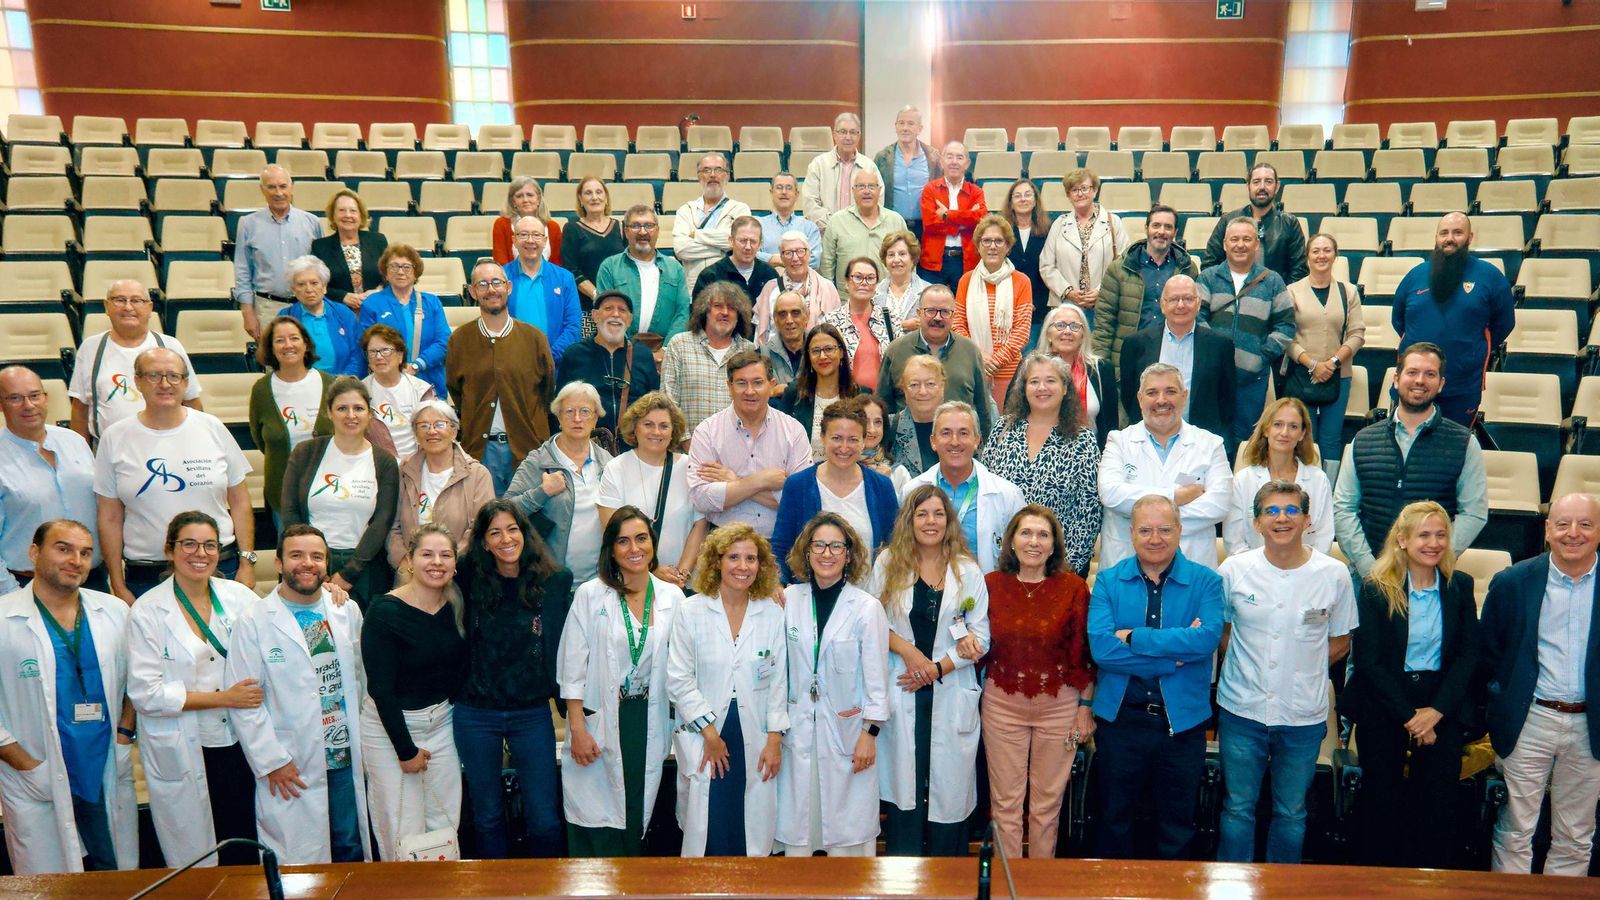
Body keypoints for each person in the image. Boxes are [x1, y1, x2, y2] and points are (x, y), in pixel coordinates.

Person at [1215, 480, 1355, 864]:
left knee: (1292, 814)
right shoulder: (1233, 570)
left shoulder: (1334, 574)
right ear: (1256, 522)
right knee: (1237, 810)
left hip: (1302, 716)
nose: (1282, 519)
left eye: (1292, 510)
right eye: (1272, 511)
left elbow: (1341, 641)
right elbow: (1223, 633)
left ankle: (1282, 890)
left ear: (1308, 520)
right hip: (1241, 709)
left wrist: (1300, 668)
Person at [1340, 501, 1478, 870]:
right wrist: (1410, 717)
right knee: (1380, 802)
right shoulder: (1375, 588)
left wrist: (1434, 714)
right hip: (1385, 702)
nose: (1434, 543)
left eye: (1441, 535)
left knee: (1435, 804)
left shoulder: (1459, 586)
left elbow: (1468, 656)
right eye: (1424, 535)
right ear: (1402, 540)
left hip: (1441, 701)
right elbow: (1368, 662)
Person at [1088, 495, 1224, 860]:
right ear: (1131, 533)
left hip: (1182, 724)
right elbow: (1102, 650)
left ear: (1179, 531)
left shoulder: (1207, 582)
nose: (1155, 538)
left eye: (1165, 529)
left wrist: (1133, 637)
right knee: (1115, 822)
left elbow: (1207, 640)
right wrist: (1170, 658)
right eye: (1145, 530)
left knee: (1177, 827)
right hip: (1121, 721)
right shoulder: (1108, 581)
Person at [126, 511, 264, 868]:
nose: (199, 553)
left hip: (238, 739)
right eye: (188, 544)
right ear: (169, 550)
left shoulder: (240, 598)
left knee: (244, 837)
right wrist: (223, 699)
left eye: (209, 545)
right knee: (198, 852)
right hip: (185, 742)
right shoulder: (147, 611)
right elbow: (146, 694)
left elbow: (280, 628)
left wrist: (330, 593)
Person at [226, 524, 370, 864]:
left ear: (327, 564)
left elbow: (361, 679)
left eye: (316, 557)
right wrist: (271, 761)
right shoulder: (254, 621)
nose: (307, 563)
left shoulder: (346, 610)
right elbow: (245, 702)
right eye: (296, 555)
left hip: (344, 757)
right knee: (300, 861)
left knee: (349, 847)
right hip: (291, 763)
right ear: (277, 563)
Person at [0, 519, 138, 873]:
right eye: (63, 549)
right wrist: (23, 763)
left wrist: (124, 734)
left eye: (85, 553)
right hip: (36, 770)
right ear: (34, 552)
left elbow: (137, 682)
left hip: (103, 762)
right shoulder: (4, 618)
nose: (76, 560)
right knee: (49, 883)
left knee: (114, 876)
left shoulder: (115, 612)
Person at [1479, 492, 1600, 876]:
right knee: (1515, 830)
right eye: (1563, 524)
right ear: (1547, 530)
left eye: (1585, 524)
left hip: (1591, 726)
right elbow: (1490, 653)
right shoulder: (1514, 581)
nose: (1573, 533)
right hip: (1529, 720)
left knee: (1576, 835)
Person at [870, 484, 988, 856]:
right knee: (905, 791)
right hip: (904, 686)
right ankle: (902, 883)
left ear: (949, 521)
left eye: (938, 514)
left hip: (949, 688)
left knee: (948, 794)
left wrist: (938, 667)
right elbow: (872, 622)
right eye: (922, 514)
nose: (930, 521)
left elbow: (979, 633)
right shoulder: (888, 563)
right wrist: (911, 654)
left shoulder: (967, 571)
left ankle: (948, 881)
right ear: (909, 520)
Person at [560, 507, 684, 857]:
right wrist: (578, 729)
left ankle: (637, 886)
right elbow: (572, 669)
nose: (634, 548)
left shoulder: (673, 597)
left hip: (649, 717)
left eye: (641, 538)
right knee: (598, 813)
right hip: (599, 719)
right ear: (611, 549)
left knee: (638, 808)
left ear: (653, 543)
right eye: (623, 540)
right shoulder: (590, 594)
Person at [454, 499, 572, 858]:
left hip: (532, 712)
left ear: (525, 533)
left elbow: (563, 649)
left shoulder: (554, 581)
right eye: (494, 532)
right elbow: (422, 580)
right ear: (483, 542)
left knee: (545, 819)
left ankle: (548, 891)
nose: (505, 539)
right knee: (487, 816)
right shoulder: (467, 575)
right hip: (476, 712)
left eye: (512, 529)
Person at [665, 524, 789, 857]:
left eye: (751, 558)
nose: (743, 566)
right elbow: (678, 678)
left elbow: (779, 681)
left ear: (761, 565)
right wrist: (710, 734)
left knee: (749, 832)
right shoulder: (691, 611)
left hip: (755, 733)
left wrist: (775, 739)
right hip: (708, 733)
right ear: (717, 561)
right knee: (710, 829)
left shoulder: (772, 614)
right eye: (733, 557)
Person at [95, 348, 255, 602]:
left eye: (173, 376)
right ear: (137, 381)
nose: (164, 384)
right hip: (147, 575)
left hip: (219, 566)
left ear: (186, 383)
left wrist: (247, 562)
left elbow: (240, 499)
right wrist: (117, 580)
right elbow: (110, 516)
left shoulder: (211, 426)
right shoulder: (114, 437)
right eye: (154, 375)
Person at [983, 506, 1095, 860]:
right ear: (1011, 541)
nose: (1034, 541)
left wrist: (1084, 709)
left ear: (1053, 545)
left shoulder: (1074, 588)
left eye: (1043, 535)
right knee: (1005, 806)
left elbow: (1086, 655)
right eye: (1026, 533)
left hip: (1060, 706)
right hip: (1001, 705)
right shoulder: (989, 585)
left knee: (1047, 808)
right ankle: (1006, 888)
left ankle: (1038, 890)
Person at [774, 513, 889, 856]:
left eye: (836, 546)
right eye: (819, 545)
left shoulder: (867, 608)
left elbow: (877, 680)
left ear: (849, 554)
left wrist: (870, 734)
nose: (827, 553)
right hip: (798, 731)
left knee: (848, 840)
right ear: (806, 553)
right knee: (798, 834)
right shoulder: (787, 600)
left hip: (848, 731)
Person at [1333, 343, 1488, 578]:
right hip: (1368, 577)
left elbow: (1474, 512)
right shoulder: (1362, 440)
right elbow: (1344, 508)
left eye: (1430, 374)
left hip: (1431, 577)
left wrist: (1432, 558)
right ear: (1396, 379)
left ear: (1441, 384)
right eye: (1412, 372)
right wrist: (1370, 569)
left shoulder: (1464, 443)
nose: (1420, 381)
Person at [360, 523, 465, 862]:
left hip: (441, 725)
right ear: (408, 560)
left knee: (445, 825)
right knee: (402, 831)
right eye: (427, 554)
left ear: (455, 563)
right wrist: (405, 751)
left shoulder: (456, 604)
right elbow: (380, 688)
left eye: (445, 555)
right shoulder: (384, 611)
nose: (437, 562)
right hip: (391, 731)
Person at [1099, 362, 1231, 571]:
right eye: (1152, 392)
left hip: (1192, 565)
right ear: (1140, 399)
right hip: (1126, 566)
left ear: (1184, 396)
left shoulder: (1211, 444)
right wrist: (1175, 497)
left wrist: (1142, 519)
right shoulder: (1119, 441)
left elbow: (1218, 505)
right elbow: (1111, 494)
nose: (1161, 400)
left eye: (1170, 391)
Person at [280, 377, 398, 608]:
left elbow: (382, 520)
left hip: (364, 567)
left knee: (360, 640)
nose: (351, 415)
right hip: (309, 566)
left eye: (358, 408)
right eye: (342, 408)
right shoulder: (305, 453)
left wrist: (348, 575)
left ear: (370, 414)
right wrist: (313, 566)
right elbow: (290, 510)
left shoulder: (384, 461)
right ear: (329, 412)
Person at [980, 353, 1102, 576]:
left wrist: (1064, 566)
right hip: (1002, 562)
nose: (1041, 388)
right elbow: (985, 488)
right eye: (1034, 381)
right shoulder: (1003, 429)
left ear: (1065, 388)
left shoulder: (1083, 440)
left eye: (1050, 381)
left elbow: (1089, 511)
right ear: (1023, 388)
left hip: (1057, 567)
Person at [1392, 212, 1515, 426]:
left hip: (1462, 386)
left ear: (1470, 237)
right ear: (1436, 237)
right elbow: (1398, 321)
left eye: (1458, 232)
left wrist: (1470, 348)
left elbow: (1504, 323)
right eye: (1444, 233)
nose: (1450, 238)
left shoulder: (1490, 276)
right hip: (1413, 385)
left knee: (1454, 452)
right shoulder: (1415, 275)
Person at [445, 258, 556, 495]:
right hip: (480, 451)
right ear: (473, 292)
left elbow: (547, 391)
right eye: (482, 284)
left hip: (527, 450)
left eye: (496, 282)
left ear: (508, 287)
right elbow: (456, 392)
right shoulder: (460, 340)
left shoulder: (534, 338)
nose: (491, 289)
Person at [686, 350, 812, 539]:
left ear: (772, 386)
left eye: (758, 383)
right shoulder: (707, 432)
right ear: (729, 386)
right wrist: (762, 481)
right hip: (723, 541)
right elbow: (701, 499)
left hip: (780, 541)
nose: (750, 391)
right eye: (741, 383)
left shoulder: (793, 431)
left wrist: (735, 481)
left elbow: (801, 500)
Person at [1197, 217, 1297, 451]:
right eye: (1234, 239)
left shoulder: (1272, 281)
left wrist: (1262, 356)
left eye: (1246, 239)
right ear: (1224, 244)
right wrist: (1214, 352)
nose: (1240, 245)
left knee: (1245, 445)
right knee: (1209, 442)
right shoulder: (1208, 278)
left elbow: (1286, 326)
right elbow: (1196, 318)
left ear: (1256, 245)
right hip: (1212, 378)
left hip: (1252, 380)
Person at [772, 399, 899, 581]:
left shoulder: (882, 487)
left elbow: (893, 547)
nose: (844, 447)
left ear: (863, 441)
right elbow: (781, 546)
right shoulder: (798, 485)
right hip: (809, 600)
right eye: (837, 438)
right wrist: (779, 585)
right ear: (823, 438)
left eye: (853, 439)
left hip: (868, 601)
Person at [0, 368, 99, 595]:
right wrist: (11, 594)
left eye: (35, 395)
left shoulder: (75, 441)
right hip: (26, 584)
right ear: (1, 404)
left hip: (91, 581)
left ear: (46, 398)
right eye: (15, 398)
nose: (28, 405)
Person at [507, 382, 615, 587]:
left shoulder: (608, 462)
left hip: (599, 583)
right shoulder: (538, 461)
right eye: (569, 411)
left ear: (595, 419)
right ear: (558, 417)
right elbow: (505, 511)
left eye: (585, 411)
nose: (577, 418)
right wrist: (541, 492)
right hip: (549, 581)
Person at [68, 279, 202, 443]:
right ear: (106, 306)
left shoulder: (170, 346)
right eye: (119, 300)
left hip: (166, 445)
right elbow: (80, 409)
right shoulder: (90, 347)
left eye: (136, 300)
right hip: (109, 450)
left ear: (150, 308)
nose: (128, 307)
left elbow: (192, 402)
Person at [599, 392, 708, 591]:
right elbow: (611, 529)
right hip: (633, 580)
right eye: (648, 424)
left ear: (673, 430)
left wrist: (681, 575)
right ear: (635, 428)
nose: (656, 432)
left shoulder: (690, 467)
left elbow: (700, 524)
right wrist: (652, 569)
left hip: (683, 583)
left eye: (664, 426)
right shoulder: (616, 468)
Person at [902, 401, 1025, 573]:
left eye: (963, 433)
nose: (955, 442)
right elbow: (903, 549)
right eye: (946, 433)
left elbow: (1020, 557)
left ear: (976, 441)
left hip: (985, 594)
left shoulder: (1008, 495)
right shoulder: (911, 491)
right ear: (933, 442)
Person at [1118, 274, 1237, 441]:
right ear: (1162, 304)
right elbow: (1129, 394)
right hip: (1148, 440)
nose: (1181, 305)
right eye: (1173, 299)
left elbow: (1227, 399)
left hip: (1202, 441)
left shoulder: (1220, 346)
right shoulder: (1136, 344)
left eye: (1188, 299)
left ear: (1198, 304)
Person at [1284, 233, 1365, 475]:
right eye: (1316, 251)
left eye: (1327, 250)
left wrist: (1332, 363)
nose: (1321, 255)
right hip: (1301, 374)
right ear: (1307, 257)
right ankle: (1303, 486)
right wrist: (1313, 365)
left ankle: (1327, 490)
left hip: (1339, 375)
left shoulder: (1348, 292)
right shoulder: (1292, 291)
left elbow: (1357, 333)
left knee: (1331, 439)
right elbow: (1286, 336)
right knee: (1302, 436)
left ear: (1335, 255)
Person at [386, 400, 493, 582]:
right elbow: (392, 526)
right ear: (416, 434)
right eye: (424, 425)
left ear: (454, 431)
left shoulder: (477, 474)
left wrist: (445, 564)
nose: (432, 431)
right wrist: (406, 562)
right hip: (409, 574)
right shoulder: (405, 472)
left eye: (440, 424)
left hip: (460, 574)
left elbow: (479, 528)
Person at [876, 285, 996, 438]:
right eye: (931, 311)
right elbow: (882, 407)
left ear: (954, 316)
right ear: (919, 313)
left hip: (957, 446)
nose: (938, 318)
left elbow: (983, 408)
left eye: (945, 312)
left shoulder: (970, 350)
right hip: (907, 447)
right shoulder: (896, 350)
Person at [248, 316, 334, 526]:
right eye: (279, 340)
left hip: (330, 492)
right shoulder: (262, 390)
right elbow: (261, 440)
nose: (288, 345)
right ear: (271, 348)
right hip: (283, 494)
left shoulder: (329, 384)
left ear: (306, 343)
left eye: (294, 338)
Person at [1092, 204, 1198, 369]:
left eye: (1168, 227)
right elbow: (1104, 323)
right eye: (1156, 225)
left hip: (1173, 357)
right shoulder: (1119, 268)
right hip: (1129, 358)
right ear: (1146, 228)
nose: (1161, 232)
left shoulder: (1187, 269)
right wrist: (1100, 367)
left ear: (1175, 232)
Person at [1224, 398, 1334, 555]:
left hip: (1307, 574)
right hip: (1252, 574)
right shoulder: (1243, 480)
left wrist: (1303, 571)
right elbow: (1234, 541)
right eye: (1278, 424)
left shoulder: (1319, 480)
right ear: (1266, 430)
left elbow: (1323, 538)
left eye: (1293, 426)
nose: (1284, 433)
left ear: (1302, 434)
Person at [556, 289, 662, 442]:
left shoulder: (643, 355)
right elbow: (560, 407)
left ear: (630, 319)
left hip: (634, 448)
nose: (616, 314)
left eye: (622, 310)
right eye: (608, 308)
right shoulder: (575, 354)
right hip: (588, 447)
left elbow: (655, 404)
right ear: (595, 315)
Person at [234, 165, 322, 340]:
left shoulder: (312, 222)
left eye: (283, 186)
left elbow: (320, 269)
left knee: (313, 361)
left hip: (308, 307)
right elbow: (242, 271)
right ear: (262, 190)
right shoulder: (248, 224)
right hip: (268, 307)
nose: (278, 193)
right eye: (271, 187)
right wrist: (247, 312)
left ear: (292, 188)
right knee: (273, 364)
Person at [1010, 304, 1118, 446]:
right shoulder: (1029, 367)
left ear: (1083, 335)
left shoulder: (1101, 369)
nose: (1067, 331)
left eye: (1075, 326)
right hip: (1037, 452)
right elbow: (1013, 413)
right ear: (1048, 334)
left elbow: (1111, 425)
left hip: (1090, 454)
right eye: (1060, 325)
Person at [954, 213, 1034, 405]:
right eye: (986, 241)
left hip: (1009, 372)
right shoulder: (966, 280)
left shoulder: (1022, 281)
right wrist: (980, 357)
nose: (992, 246)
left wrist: (993, 362)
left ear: (1007, 247)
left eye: (999, 241)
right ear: (978, 246)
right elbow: (957, 325)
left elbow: (1022, 332)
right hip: (973, 368)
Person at [355, 243, 451, 398]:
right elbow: (365, 344)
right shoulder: (372, 304)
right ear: (385, 273)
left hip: (428, 381)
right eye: (394, 266)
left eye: (406, 267)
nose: (400, 271)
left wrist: (417, 365)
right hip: (387, 385)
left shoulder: (431, 302)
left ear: (416, 273)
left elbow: (443, 341)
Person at [662, 282, 759, 433]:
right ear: (705, 311)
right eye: (718, 306)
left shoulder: (748, 350)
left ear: (739, 316)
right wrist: (688, 443)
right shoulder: (679, 345)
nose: (725, 312)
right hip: (685, 451)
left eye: (732, 308)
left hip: (737, 449)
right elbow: (668, 401)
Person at [1039, 168, 1129, 331]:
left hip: (1104, 304)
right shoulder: (1059, 224)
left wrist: (1101, 291)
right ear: (1068, 195)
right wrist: (1068, 291)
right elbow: (1046, 265)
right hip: (1066, 306)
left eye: (1085, 188)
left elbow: (1123, 264)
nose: (1080, 194)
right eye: (1074, 190)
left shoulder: (1113, 222)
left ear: (1094, 190)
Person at [595, 205, 692, 348]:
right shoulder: (610, 267)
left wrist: (666, 350)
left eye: (649, 226)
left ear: (658, 231)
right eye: (635, 226)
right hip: (621, 350)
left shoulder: (675, 268)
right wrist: (628, 349)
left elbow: (682, 313)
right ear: (626, 231)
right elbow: (606, 312)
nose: (642, 231)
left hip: (665, 351)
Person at [1205, 162, 1307, 282]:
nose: (1262, 187)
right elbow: (1210, 264)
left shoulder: (1289, 223)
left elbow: (1299, 271)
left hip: (1277, 296)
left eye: (1268, 181)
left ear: (1277, 186)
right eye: (1256, 182)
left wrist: (1280, 295)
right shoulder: (1228, 220)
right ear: (1248, 186)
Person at [773, 322, 865, 454]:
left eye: (829, 349)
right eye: (816, 351)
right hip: (804, 472)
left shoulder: (859, 394)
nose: (822, 356)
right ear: (808, 357)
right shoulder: (794, 393)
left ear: (840, 352)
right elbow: (779, 439)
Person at [503, 216, 583, 363]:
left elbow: (573, 326)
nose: (530, 240)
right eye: (523, 234)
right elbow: (495, 322)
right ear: (514, 240)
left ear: (545, 241)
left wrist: (549, 357)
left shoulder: (564, 278)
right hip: (512, 365)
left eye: (536, 235)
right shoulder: (501, 277)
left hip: (555, 365)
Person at [821, 167, 908, 293]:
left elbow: (909, 263)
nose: (866, 191)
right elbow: (827, 265)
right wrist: (829, 296)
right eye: (861, 186)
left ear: (879, 190)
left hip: (887, 299)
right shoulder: (837, 221)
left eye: (872, 186)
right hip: (847, 300)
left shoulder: (896, 221)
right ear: (853, 190)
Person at [674, 153, 754, 287]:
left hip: (730, 285)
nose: (712, 175)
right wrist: (724, 249)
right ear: (699, 176)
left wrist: (697, 235)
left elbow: (741, 243)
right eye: (706, 170)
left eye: (718, 170)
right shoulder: (685, 210)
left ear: (727, 176)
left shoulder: (740, 209)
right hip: (694, 286)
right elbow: (681, 248)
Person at [821, 257, 900, 392]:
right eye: (858, 277)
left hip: (884, 403)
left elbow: (900, 363)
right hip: (845, 400)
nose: (864, 283)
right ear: (846, 282)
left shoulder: (890, 318)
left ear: (876, 284)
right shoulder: (831, 321)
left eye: (870, 278)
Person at [917, 141, 987, 292]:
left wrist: (947, 214)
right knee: (931, 307)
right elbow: (930, 224)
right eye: (949, 157)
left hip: (965, 260)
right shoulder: (930, 189)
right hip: (934, 261)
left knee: (963, 309)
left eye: (959, 157)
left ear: (967, 163)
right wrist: (964, 222)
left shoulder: (976, 192)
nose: (954, 162)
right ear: (942, 161)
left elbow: (980, 220)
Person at [562, 177, 628, 338]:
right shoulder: (572, 228)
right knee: (590, 356)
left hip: (619, 306)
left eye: (599, 192)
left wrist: (614, 299)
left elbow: (628, 264)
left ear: (606, 197)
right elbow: (571, 269)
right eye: (588, 193)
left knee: (620, 354)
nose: (594, 197)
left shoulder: (621, 227)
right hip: (587, 307)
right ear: (580, 199)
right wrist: (598, 296)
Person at [361, 323, 436, 460]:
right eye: (372, 352)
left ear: (400, 356)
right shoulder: (360, 392)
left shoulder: (420, 390)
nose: (378, 357)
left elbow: (433, 433)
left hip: (419, 463)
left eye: (385, 350)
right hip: (377, 465)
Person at [753, 231, 842, 344]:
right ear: (781, 257)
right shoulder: (770, 289)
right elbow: (759, 337)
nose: (795, 258)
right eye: (788, 253)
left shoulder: (827, 288)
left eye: (800, 251)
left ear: (809, 254)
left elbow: (836, 333)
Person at [310, 188, 387, 312]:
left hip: (377, 309)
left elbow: (390, 275)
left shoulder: (378, 241)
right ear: (333, 216)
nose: (348, 215)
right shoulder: (320, 246)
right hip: (338, 311)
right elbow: (316, 284)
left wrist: (378, 292)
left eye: (353, 211)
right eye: (341, 210)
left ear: (361, 215)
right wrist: (343, 297)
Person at [283, 255, 362, 375]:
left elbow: (357, 355)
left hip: (343, 384)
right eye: (301, 284)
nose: (309, 289)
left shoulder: (344, 314)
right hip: (301, 384)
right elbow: (279, 357)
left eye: (314, 283)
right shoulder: (285, 318)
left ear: (324, 287)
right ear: (293, 289)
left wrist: (345, 380)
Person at [803, 112, 880, 232]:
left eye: (853, 132)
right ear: (834, 135)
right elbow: (810, 205)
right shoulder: (818, 165)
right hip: (826, 235)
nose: (848, 137)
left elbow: (878, 203)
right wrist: (836, 226)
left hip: (861, 234)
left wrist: (857, 227)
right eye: (843, 132)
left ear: (859, 136)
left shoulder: (870, 167)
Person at [1002, 179, 1051, 350]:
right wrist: (1017, 303)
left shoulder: (1049, 231)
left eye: (1028, 195)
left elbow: (1050, 270)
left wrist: (1032, 302)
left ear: (1035, 200)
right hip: (1007, 308)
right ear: (1011, 203)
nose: (1023, 199)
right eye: (1017, 196)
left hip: (1040, 307)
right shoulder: (1001, 231)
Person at [874, 105, 938, 236]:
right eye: (901, 123)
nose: (905, 128)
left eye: (910, 124)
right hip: (891, 227)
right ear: (895, 126)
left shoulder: (933, 157)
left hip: (925, 228)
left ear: (920, 129)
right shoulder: (883, 157)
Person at [885, 354, 947, 478]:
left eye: (930, 384)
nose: (923, 392)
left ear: (942, 387)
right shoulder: (887, 426)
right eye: (914, 385)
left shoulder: (961, 426)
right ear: (904, 389)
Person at [693, 215, 778, 304]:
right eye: (743, 241)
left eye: (753, 241)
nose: (748, 247)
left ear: (760, 244)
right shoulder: (710, 276)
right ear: (731, 241)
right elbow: (699, 316)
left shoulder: (770, 275)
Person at [492, 175, 562, 266]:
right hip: (512, 278)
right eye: (519, 196)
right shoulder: (502, 224)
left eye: (530, 195)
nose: (525, 200)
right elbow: (501, 263)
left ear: (538, 199)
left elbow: (557, 264)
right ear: (513, 202)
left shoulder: (553, 227)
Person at [758, 172, 822, 270]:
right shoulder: (759, 225)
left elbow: (814, 261)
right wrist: (787, 260)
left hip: (801, 283)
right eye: (779, 187)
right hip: (766, 281)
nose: (784, 192)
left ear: (796, 194)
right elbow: (752, 255)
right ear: (771, 193)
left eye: (789, 188)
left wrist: (774, 260)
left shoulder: (810, 228)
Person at [876, 230, 932, 333]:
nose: (896, 260)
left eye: (902, 254)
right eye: (891, 255)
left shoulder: (929, 292)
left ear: (912, 258)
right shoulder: (873, 293)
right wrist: (903, 325)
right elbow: (868, 326)